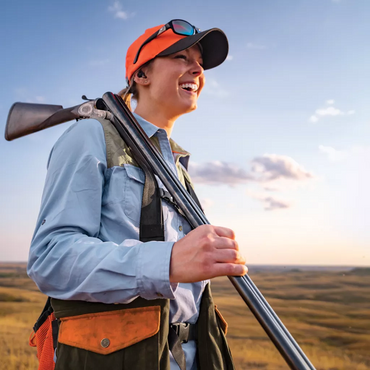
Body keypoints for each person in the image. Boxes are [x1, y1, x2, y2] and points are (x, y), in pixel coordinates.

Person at [28, 19, 247, 370]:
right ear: (141, 74)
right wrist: (169, 261)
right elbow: (51, 258)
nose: (196, 68)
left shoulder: (176, 166)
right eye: (181, 57)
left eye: (200, 63)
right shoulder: (90, 136)